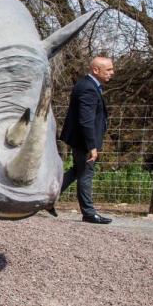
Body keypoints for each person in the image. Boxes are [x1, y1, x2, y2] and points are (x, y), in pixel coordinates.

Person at [57, 55, 115, 224]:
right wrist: (92, 146)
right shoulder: (88, 88)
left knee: (77, 170)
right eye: (109, 69)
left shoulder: (89, 85)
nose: (112, 72)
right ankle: (89, 213)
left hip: (83, 139)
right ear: (96, 70)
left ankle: (47, 198)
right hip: (84, 141)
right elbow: (85, 120)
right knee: (85, 173)